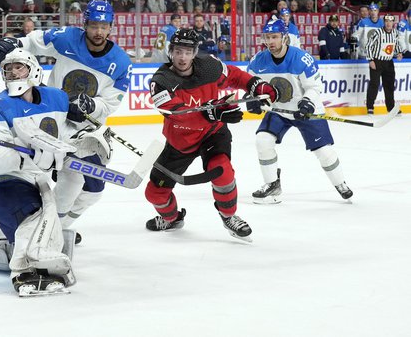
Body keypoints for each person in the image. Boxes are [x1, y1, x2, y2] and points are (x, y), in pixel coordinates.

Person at [0, 0, 132, 243]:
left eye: (104, 26)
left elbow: (109, 104)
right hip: (52, 119)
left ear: (111, 27)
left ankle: (58, 226)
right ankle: (40, 228)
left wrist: (89, 106)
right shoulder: (67, 38)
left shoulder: (122, 63)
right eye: (94, 25)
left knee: (94, 189)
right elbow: (34, 42)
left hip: (84, 129)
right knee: (67, 178)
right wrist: (14, 44)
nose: (99, 31)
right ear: (85, 23)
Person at [0, 48, 76, 296]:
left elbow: (68, 133)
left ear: (33, 70)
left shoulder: (57, 98)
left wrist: (85, 142)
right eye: (8, 69)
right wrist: (29, 154)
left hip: (28, 178)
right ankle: (24, 270)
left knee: (48, 225)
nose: (13, 73)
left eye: (18, 67)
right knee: (32, 216)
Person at [144, 28, 279, 242]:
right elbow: (177, 114)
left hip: (212, 134)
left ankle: (229, 216)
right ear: (170, 52)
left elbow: (235, 75)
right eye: (178, 51)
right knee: (154, 193)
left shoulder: (208, 66)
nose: (183, 57)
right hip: (181, 141)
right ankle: (172, 218)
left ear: (195, 52)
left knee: (223, 172)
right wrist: (210, 111)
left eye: (188, 52)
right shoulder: (161, 80)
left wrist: (256, 84)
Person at [246, 19, 353, 204]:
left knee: (324, 152)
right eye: (267, 37)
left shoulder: (301, 58)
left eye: (275, 37)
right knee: (263, 140)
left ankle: (340, 183)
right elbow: (250, 83)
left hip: (306, 110)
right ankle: (272, 184)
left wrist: (307, 103)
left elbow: (314, 86)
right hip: (279, 110)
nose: (270, 41)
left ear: (284, 37)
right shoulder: (258, 60)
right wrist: (252, 98)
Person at [365, 14, 403, 115]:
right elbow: (368, 46)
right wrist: (370, 60)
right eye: (386, 21)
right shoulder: (378, 32)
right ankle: (370, 107)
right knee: (374, 84)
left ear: (393, 23)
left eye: (390, 22)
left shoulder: (395, 33)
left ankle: (390, 108)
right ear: (384, 22)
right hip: (377, 61)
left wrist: (399, 53)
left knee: (389, 85)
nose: (388, 23)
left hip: (389, 62)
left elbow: (396, 45)